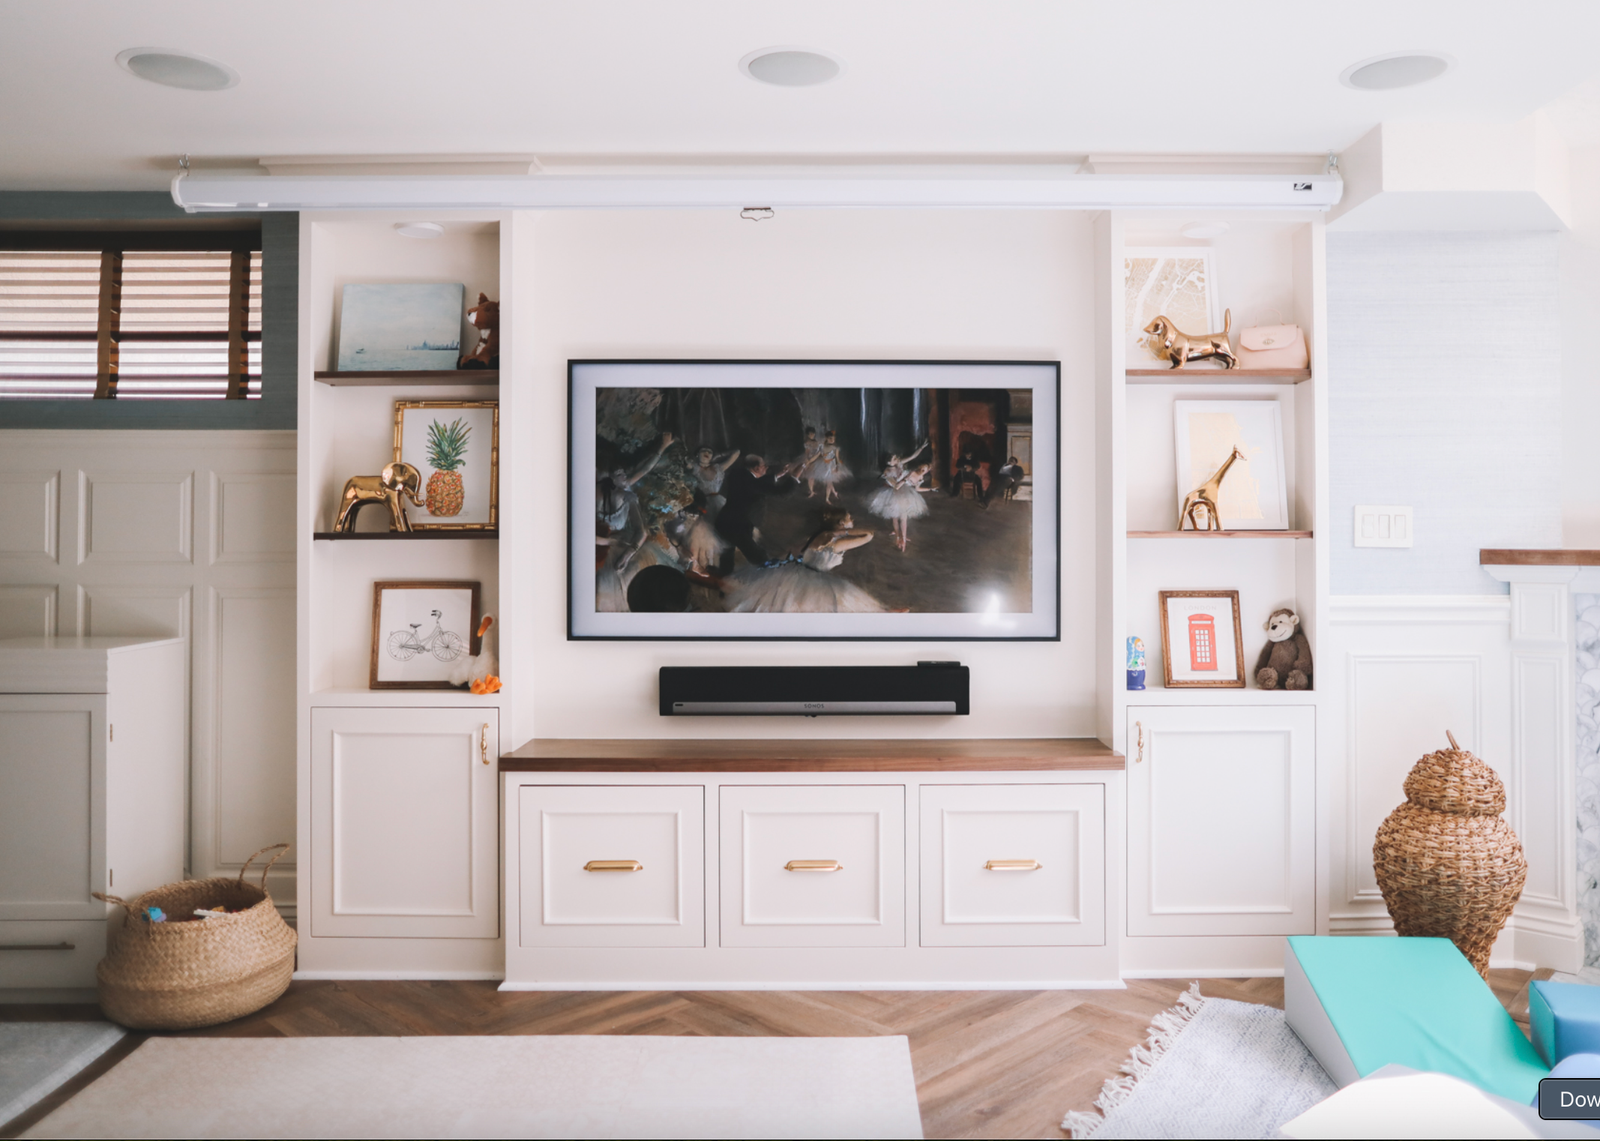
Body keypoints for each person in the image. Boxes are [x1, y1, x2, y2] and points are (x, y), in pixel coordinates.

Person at [724, 509, 894, 613]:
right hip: (812, 579)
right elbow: (868, 535)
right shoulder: (836, 544)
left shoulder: (812, 537)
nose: (853, 522)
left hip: (792, 572)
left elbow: (788, 552)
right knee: (839, 600)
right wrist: (842, 532)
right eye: (850, 519)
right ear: (842, 523)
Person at [713, 453, 801, 574]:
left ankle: (723, 577)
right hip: (737, 526)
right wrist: (794, 477)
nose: (767, 468)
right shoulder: (753, 484)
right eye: (764, 465)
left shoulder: (738, 475)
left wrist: (777, 475)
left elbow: (757, 482)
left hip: (728, 522)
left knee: (728, 555)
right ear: (756, 468)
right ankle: (766, 579)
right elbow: (782, 493)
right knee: (758, 557)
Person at [867, 443, 931, 552]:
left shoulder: (899, 463)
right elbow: (896, 486)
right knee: (895, 517)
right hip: (893, 493)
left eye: (896, 458)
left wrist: (921, 447)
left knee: (904, 517)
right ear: (889, 462)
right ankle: (897, 536)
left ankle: (904, 539)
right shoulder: (887, 472)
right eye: (895, 459)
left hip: (904, 492)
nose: (897, 459)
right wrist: (906, 478)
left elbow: (912, 456)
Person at [801, 428, 850, 505]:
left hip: (831, 465)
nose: (832, 440)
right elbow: (816, 456)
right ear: (826, 438)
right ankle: (830, 494)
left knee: (829, 482)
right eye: (830, 438)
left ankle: (827, 498)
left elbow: (837, 458)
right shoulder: (821, 447)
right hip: (823, 465)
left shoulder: (835, 448)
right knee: (826, 481)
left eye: (833, 438)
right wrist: (809, 462)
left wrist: (837, 467)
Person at [690, 446, 740, 519]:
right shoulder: (693, 467)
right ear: (697, 454)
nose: (707, 453)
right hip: (703, 503)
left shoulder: (718, 468)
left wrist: (718, 455)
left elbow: (737, 452)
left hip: (719, 502)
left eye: (710, 452)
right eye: (703, 450)